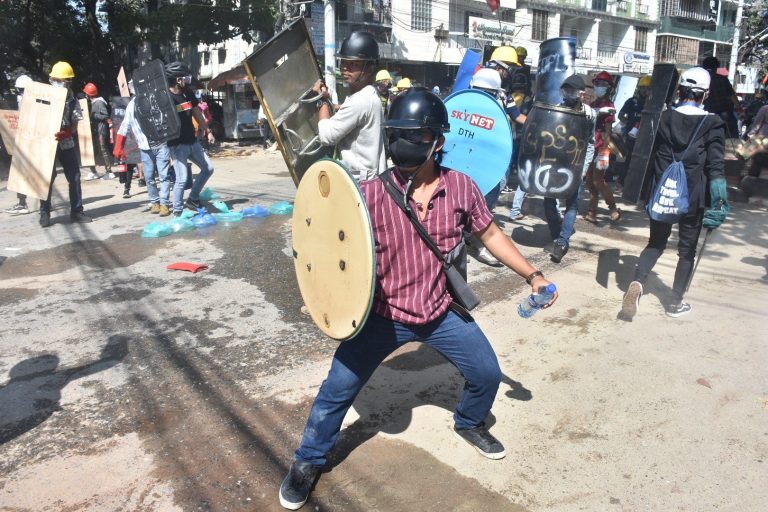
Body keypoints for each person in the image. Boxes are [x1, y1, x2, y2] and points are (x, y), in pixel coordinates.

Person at [278, 88, 558, 510]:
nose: (403, 145)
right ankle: (308, 460)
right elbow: (326, 246)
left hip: (437, 310)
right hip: (381, 314)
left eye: (415, 136)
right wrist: (323, 297)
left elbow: (491, 234)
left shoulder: (461, 188)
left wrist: (533, 275)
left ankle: (468, 422)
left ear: (438, 142)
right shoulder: (367, 196)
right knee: (336, 391)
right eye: (397, 134)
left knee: (485, 372)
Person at [620, 67, 727, 320]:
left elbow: (641, 149)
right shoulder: (712, 123)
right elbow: (715, 165)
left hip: (663, 192)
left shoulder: (661, 117)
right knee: (686, 250)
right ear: (706, 94)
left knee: (656, 242)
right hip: (694, 196)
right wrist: (720, 200)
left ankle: (637, 282)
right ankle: (675, 303)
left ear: (679, 91)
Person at [312, 31, 386, 181]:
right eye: (344, 62)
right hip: (370, 178)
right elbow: (349, 111)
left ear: (370, 68)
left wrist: (321, 100)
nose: (345, 68)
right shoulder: (369, 95)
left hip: (360, 182)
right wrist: (332, 105)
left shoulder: (360, 101)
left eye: (354, 64)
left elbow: (326, 136)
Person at [544, 75, 595, 263]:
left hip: (575, 165)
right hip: (554, 164)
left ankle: (563, 241)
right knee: (548, 202)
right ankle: (556, 235)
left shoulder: (589, 113)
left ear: (581, 92)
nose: (569, 94)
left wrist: (584, 167)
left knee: (571, 204)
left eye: (573, 90)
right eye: (566, 90)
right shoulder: (557, 108)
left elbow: (590, 143)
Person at [40, 61, 92, 227]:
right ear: (52, 79)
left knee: (75, 177)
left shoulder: (71, 99)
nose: (64, 83)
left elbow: (76, 122)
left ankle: (77, 212)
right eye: (61, 79)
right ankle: (44, 213)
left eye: (67, 80)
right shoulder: (43, 97)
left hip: (66, 142)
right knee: (46, 178)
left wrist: (68, 132)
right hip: (46, 143)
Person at [164, 61, 216, 215]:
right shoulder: (166, 99)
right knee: (182, 179)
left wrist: (208, 131)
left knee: (208, 168)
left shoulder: (187, 93)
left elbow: (197, 113)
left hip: (192, 141)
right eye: (184, 77)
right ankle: (177, 211)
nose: (187, 80)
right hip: (177, 145)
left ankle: (193, 198)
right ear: (177, 79)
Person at [113, 82, 172, 215]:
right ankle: (154, 202)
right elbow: (124, 127)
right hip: (145, 147)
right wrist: (118, 147)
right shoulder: (132, 106)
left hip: (161, 144)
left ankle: (164, 204)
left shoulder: (155, 99)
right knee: (149, 177)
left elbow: (168, 118)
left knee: (164, 176)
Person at [488, 46, 528, 222]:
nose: (510, 73)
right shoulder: (476, 89)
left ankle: (483, 215)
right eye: (509, 68)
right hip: (480, 146)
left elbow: (517, 116)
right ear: (499, 67)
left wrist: (538, 124)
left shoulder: (504, 95)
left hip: (500, 146)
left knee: (499, 183)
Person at [583, 70, 621, 223]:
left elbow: (608, 131)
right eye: (597, 83)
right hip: (591, 147)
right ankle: (592, 212)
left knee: (598, 181)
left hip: (602, 147)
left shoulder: (609, 105)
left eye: (603, 84)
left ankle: (613, 208)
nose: (599, 86)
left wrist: (604, 151)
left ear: (609, 87)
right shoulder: (593, 104)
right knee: (589, 182)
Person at [4, 74, 32, 215]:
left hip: (31, 142)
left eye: (21, 90)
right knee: (20, 171)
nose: (20, 94)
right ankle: (22, 202)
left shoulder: (34, 101)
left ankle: (41, 203)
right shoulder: (21, 100)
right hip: (22, 141)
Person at [616, 75, 651, 185]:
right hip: (632, 135)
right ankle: (622, 181)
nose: (645, 90)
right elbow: (620, 115)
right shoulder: (632, 101)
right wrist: (629, 123)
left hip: (646, 135)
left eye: (648, 88)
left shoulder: (652, 103)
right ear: (639, 88)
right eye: (643, 87)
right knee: (630, 157)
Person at [701, 56, 744, 140]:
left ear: (704, 66)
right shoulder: (722, 78)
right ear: (716, 66)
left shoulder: (702, 79)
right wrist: (740, 110)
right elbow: (732, 95)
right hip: (726, 115)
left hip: (707, 115)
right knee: (731, 141)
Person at [82, 83, 113, 181]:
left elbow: (106, 116)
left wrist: (93, 116)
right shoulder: (94, 102)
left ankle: (109, 172)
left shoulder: (99, 102)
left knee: (103, 149)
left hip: (101, 129)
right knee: (93, 150)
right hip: (96, 129)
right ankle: (93, 171)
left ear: (88, 94)